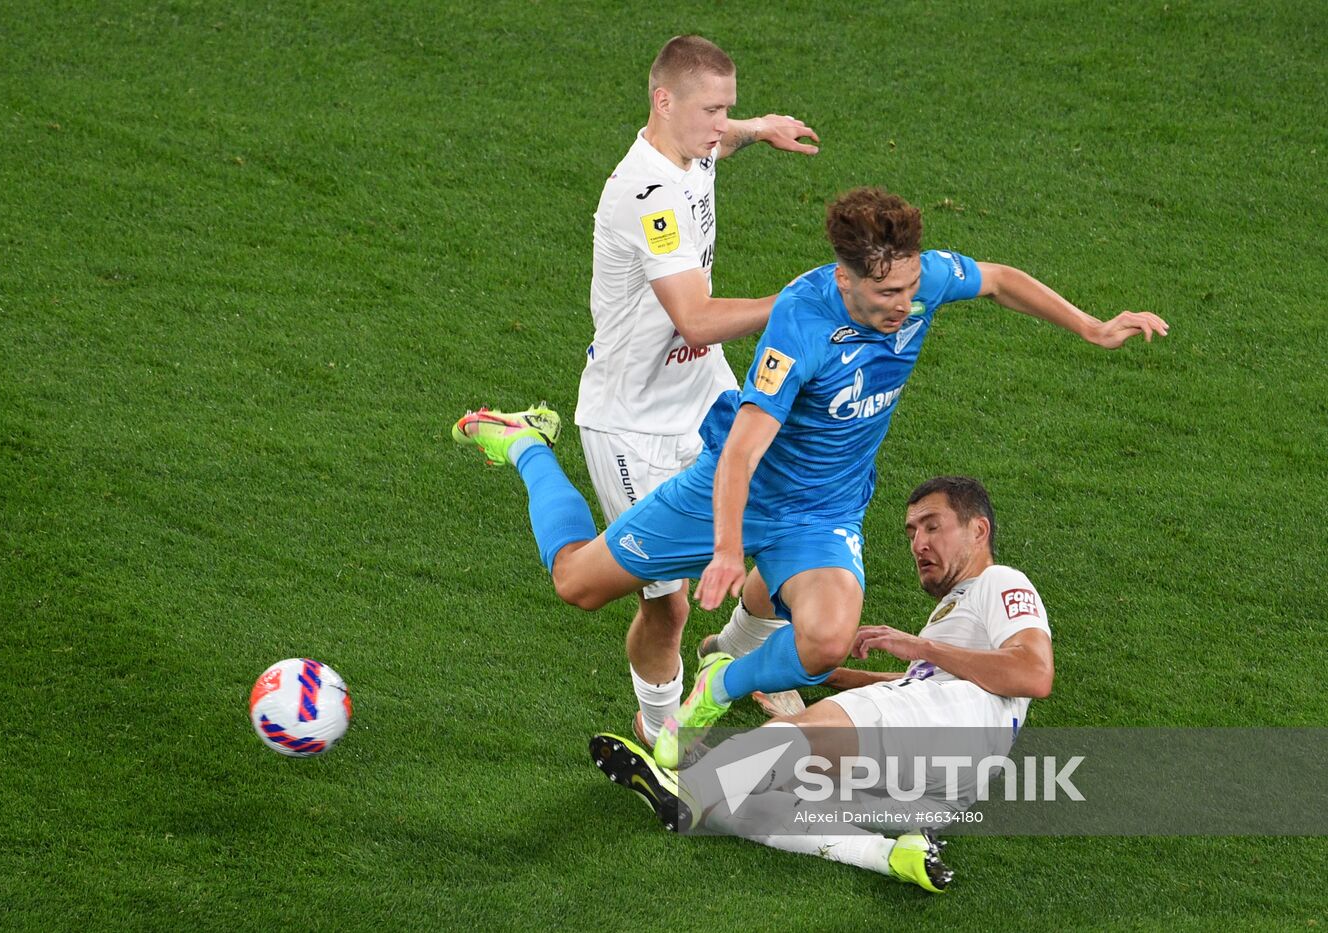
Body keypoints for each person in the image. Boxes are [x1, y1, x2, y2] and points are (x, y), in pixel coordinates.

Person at [452, 186, 1165, 769]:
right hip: (734, 491)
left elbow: (1001, 281)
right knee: (577, 584)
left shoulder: (922, 283)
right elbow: (741, 453)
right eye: (886, 292)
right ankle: (525, 444)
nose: (904, 305)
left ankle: (721, 680)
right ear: (845, 279)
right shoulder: (801, 320)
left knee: (827, 638)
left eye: (912, 287)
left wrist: (1093, 327)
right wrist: (726, 548)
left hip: (822, 510)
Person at [589, 476, 1053, 893]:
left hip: (944, 732)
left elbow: (1033, 672)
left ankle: (692, 784)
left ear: (979, 530)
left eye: (932, 526)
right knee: (749, 804)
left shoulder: (998, 580)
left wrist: (920, 647)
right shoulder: (954, 615)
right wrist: (822, 671)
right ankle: (892, 856)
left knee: (805, 734)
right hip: (946, 791)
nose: (918, 543)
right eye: (912, 532)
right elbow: (930, 683)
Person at [576, 35, 819, 748]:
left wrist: (758, 129)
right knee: (669, 606)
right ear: (664, 101)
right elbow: (696, 317)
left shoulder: (693, 145)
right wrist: (797, 304)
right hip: (632, 423)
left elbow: (720, 146)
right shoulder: (646, 195)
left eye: (727, 109)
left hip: (702, 386)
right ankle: (659, 730)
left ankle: (745, 652)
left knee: (779, 525)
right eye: (713, 110)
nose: (721, 125)